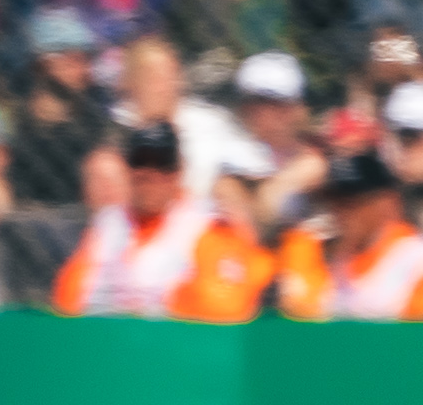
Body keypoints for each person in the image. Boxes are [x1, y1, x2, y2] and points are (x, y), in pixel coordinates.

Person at [52, 121, 264, 321]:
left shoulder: (207, 224)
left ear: (178, 172)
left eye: (162, 163)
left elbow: (225, 307)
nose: (149, 174)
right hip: (110, 345)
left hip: (178, 348)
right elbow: (68, 298)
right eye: (140, 161)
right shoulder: (108, 224)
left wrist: (163, 304)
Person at [271, 143, 423, 321]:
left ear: (387, 205)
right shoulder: (329, 260)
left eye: (351, 203)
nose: (340, 213)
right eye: (334, 203)